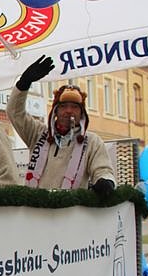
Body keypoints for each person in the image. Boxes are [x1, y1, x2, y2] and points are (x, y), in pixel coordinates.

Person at [7, 56, 115, 194]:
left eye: (74, 107)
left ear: (82, 113)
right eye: (64, 106)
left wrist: (105, 181)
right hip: (35, 210)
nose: (69, 111)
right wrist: (24, 83)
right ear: (56, 110)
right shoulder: (38, 133)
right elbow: (15, 113)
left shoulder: (92, 141)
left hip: (70, 211)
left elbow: (103, 169)